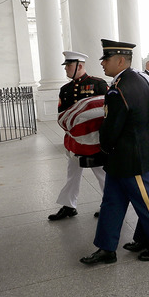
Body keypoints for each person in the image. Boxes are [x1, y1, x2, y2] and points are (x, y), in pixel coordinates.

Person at [81, 39, 149, 264]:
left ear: (121, 60)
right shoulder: (136, 80)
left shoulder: (121, 87)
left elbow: (113, 125)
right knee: (111, 202)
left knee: (147, 203)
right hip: (122, 157)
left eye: (107, 59)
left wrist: (103, 146)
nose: (102, 63)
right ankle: (106, 247)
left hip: (133, 157)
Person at [49, 50, 109, 220]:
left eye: (69, 65)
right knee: (72, 173)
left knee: (101, 173)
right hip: (75, 139)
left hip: (94, 140)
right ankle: (69, 206)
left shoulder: (98, 84)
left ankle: (109, 205)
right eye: (66, 65)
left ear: (80, 66)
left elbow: (107, 111)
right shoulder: (65, 89)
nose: (66, 68)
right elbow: (63, 114)